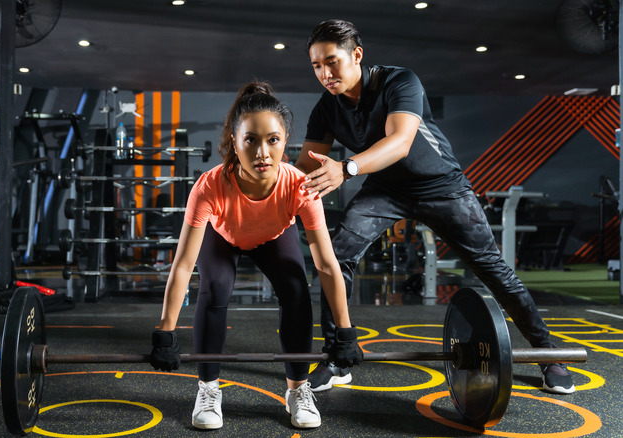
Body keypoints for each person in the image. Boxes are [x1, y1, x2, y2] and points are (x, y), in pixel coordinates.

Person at [294, 19, 575, 395]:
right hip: (385, 189)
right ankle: (338, 355)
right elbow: (305, 168)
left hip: (441, 185)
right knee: (336, 254)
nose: (325, 73)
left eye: (332, 62)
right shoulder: (326, 109)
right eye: (316, 66)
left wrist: (346, 168)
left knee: (492, 269)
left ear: (356, 55)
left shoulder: (399, 81)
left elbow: (400, 142)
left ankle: (549, 354)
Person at [149, 81, 364, 430]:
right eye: (251, 140)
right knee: (214, 287)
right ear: (235, 143)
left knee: (296, 289)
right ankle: (208, 389)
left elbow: (326, 263)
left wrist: (345, 331)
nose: (263, 152)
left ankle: (297, 389)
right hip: (223, 236)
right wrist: (165, 332)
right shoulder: (209, 186)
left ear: (285, 141)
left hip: (273, 237)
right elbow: (184, 264)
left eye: (273, 140)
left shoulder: (300, 187)